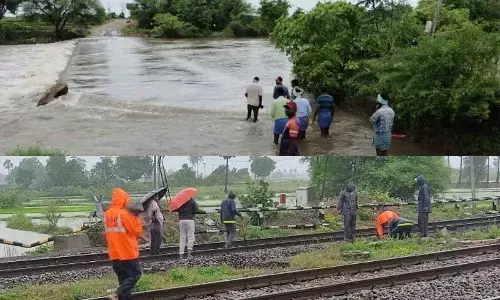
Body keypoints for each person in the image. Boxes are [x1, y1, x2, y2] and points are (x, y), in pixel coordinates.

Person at [104, 188, 143, 300]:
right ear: (124, 200)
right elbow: (137, 231)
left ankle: (121, 295)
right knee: (136, 274)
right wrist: (135, 217)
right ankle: (117, 293)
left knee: (124, 280)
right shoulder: (124, 214)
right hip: (127, 252)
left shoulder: (107, 214)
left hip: (114, 253)